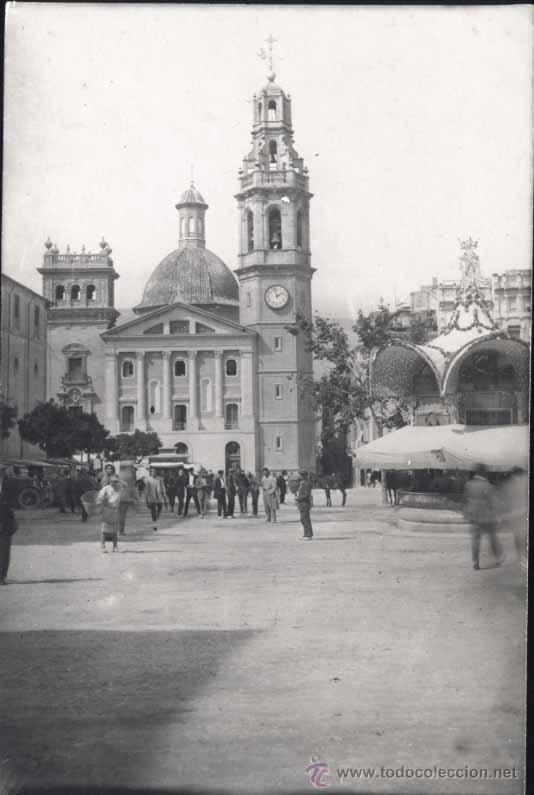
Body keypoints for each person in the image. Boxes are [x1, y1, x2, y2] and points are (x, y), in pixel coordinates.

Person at [463, 464, 504, 571]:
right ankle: (498, 558)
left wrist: (466, 513)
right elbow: (493, 502)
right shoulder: (488, 486)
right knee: (492, 537)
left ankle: (475, 562)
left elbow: (465, 500)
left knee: (475, 540)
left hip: (473, 514)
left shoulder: (468, 484)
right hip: (486, 516)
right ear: (484, 473)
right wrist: (497, 515)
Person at [498, 467, 528, 569]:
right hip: (519, 516)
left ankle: (522, 558)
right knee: (519, 536)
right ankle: (522, 558)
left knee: (519, 537)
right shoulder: (515, 485)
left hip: (520, 515)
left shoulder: (514, 485)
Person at [0, 467, 18, 584]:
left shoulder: (8, 484)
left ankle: (2, 577)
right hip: (4, 523)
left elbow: (12, 504)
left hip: (5, 524)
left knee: (4, 552)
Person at [96, 474, 122, 552]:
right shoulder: (106, 488)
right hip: (107, 510)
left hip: (115, 510)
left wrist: (119, 480)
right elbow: (99, 498)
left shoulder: (120, 488)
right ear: (109, 481)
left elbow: (126, 485)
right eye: (112, 481)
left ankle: (115, 546)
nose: (113, 483)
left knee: (115, 531)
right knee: (104, 530)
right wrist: (103, 499)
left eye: (115, 481)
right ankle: (103, 546)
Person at [118, 465, 136, 535]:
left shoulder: (118, 477)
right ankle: (121, 530)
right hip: (124, 499)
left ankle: (119, 530)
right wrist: (133, 497)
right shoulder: (130, 477)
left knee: (119, 515)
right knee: (122, 515)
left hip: (118, 498)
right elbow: (131, 489)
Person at [296, 470, 314, 539]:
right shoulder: (302, 483)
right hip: (302, 504)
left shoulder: (307, 483)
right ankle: (306, 534)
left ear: (305, 476)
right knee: (303, 519)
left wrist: (299, 498)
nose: (300, 476)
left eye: (302, 475)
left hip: (305, 503)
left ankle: (309, 535)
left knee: (305, 519)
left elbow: (307, 495)